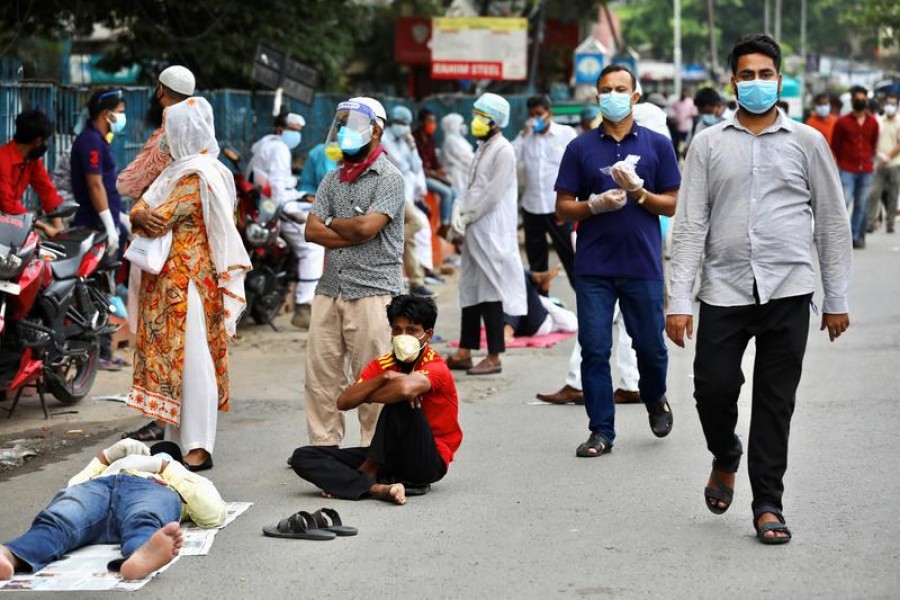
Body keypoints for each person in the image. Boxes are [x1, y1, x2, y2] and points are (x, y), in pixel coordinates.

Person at [666, 34, 852, 545]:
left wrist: (835, 299)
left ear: (778, 79)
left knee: (775, 401)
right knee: (713, 388)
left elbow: (832, 222)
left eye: (764, 74)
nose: (755, 83)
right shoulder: (707, 143)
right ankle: (726, 453)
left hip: (788, 289)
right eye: (745, 75)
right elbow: (689, 225)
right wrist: (679, 301)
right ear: (732, 81)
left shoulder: (807, 142)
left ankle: (768, 502)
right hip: (723, 289)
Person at [555, 64, 680, 458]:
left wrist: (640, 192)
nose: (613, 94)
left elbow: (672, 204)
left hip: (642, 264)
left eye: (620, 88)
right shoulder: (580, 148)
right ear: (597, 97)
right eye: (606, 89)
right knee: (594, 347)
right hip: (594, 266)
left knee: (650, 347)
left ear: (635, 96)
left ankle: (655, 396)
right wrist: (593, 205)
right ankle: (601, 431)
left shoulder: (658, 145)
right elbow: (563, 208)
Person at [126, 97, 251, 471]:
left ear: (182, 133)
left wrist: (138, 212)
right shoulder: (177, 173)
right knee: (175, 363)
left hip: (189, 283)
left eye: (168, 132)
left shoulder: (199, 174)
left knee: (194, 362)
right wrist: (138, 212)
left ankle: (199, 444)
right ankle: (176, 442)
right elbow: (138, 209)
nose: (163, 139)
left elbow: (156, 216)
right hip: (168, 283)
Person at [290, 295, 462, 505]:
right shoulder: (384, 365)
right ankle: (376, 488)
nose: (403, 336)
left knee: (402, 400)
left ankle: (365, 474)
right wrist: (385, 378)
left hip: (427, 460)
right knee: (304, 457)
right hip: (389, 457)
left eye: (412, 330)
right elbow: (343, 402)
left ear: (428, 334)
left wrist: (371, 394)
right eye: (397, 330)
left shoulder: (436, 366)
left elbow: (406, 389)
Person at [304, 97, 406, 447]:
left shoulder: (390, 178)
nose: (345, 131)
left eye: (353, 124)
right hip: (330, 289)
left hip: (373, 290)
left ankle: (373, 452)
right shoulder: (333, 179)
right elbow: (311, 231)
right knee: (321, 376)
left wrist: (333, 223)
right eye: (342, 124)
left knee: (374, 377)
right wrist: (348, 228)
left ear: (375, 131)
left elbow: (368, 228)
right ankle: (324, 448)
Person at [0, 439, 225, 582]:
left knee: (144, 518)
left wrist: (163, 466)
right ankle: (9, 555)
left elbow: (213, 513)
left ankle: (140, 556)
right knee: (60, 518)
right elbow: (73, 487)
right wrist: (107, 457)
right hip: (99, 486)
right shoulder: (110, 467)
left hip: (149, 488)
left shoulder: (177, 478)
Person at [118, 65, 195, 444]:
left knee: (160, 340)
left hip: (163, 255)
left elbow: (128, 183)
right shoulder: (202, 146)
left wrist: (138, 209)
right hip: (187, 261)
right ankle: (176, 419)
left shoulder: (170, 138)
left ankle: (164, 419)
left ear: (162, 92)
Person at [445, 93, 526, 376]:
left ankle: (494, 356)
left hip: (491, 228)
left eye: (481, 115)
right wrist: (459, 214)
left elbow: (493, 193)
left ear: (495, 120)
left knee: (490, 290)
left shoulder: (503, 150)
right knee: (469, 288)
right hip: (473, 226)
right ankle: (465, 351)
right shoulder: (481, 148)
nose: (475, 120)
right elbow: (470, 187)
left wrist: (470, 214)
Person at [247, 111, 324, 328]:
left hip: (264, 205)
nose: (295, 135)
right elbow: (279, 192)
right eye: (293, 130)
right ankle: (303, 306)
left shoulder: (263, 145)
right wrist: (295, 206)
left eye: (298, 132)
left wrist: (300, 195)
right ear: (280, 129)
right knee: (313, 247)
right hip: (276, 208)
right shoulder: (280, 149)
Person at [513, 95, 577, 284]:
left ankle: (584, 300)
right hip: (532, 208)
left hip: (558, 207)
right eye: (532, 115)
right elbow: (510, 159)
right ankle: (541, 305)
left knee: (571, 257)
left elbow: (578, 166)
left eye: (539, 114)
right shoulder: (526, 138)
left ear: (549, 113)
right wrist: (522, 135)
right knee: (536, 262)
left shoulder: (566, 134)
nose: (536, 119)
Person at [381, 105, 435, 298]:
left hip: (403, 195)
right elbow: (401, 164)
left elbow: (415, 165)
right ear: (393, 122)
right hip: (387, 193)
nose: (403, 127)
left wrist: (413, 148)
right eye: (400, 123)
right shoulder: (384, 138)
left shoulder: (404, 141)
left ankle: (416, 282)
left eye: (406, 124)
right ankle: (384, 250)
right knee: (415, 225)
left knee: (410, 238)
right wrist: (409, 156)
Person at [0, 109, 63, 237]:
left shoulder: (31, 161)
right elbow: (7, 204)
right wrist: (44, 227)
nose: (46, 145)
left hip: (10, 222)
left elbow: (46, 189)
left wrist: (58, 227)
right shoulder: (3, 160)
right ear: (38, 141)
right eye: (46, 141)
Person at [831, 85, 879, 248]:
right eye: (856, 99)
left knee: (861, 204)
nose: (859, 101)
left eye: (862, 99)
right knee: (844, 202)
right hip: (847, 169)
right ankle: (840, 236)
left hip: (866, 169)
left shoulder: (873, 122)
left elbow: (873, 144)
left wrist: (868, 159)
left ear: (866, 100)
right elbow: (835, 145)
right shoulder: (842, 122)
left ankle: (855, 235)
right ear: (852, 101)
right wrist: (838, 164)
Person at [413, 109, 457, 236]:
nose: (433, 124)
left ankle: (449, 222)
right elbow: (420, 167)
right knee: (447, 192)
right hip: (421, 177)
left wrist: (439, 170)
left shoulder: (431, 139)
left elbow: (434, 162)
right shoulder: (415, 139)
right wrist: (435, 174)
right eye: (429, 121)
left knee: (453, 192)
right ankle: (444, 226)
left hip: (431, 174)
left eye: (434, 121)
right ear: (422, 122)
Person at [504, 269, 578, 341]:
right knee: (516, 273)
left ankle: (536, 277)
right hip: (521, 317)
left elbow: (572, 325)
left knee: (520, 278)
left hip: (538, 324)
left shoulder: (561, 313)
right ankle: (536, 277)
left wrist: (542, 299)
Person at [866, 94, 900, 233]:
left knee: (892, 195)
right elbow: (872, 141)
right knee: (874, 194)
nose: (890, 106)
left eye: (893, 104)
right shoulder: (879, 122)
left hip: (894, 164)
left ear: (897, 106)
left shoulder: (899, 122)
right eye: (888, 103)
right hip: (878, 164)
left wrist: (888, 156)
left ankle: (890, 223)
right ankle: (870, 222)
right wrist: (879, 156)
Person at [440, 113, 474, 200]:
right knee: (459, 200)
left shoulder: (458, 139)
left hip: (463, 173)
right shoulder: (451, 140)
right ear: (453, 125)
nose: (463, 126)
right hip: (456, 175)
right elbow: (465, 157)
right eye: (461, 123)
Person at [684, 87, 724, 152]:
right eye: (702, 112)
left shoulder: (727, 127)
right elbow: (686, 150)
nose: (705, 116)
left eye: (709, 112)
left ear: (718, 106)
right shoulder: (696, 125)